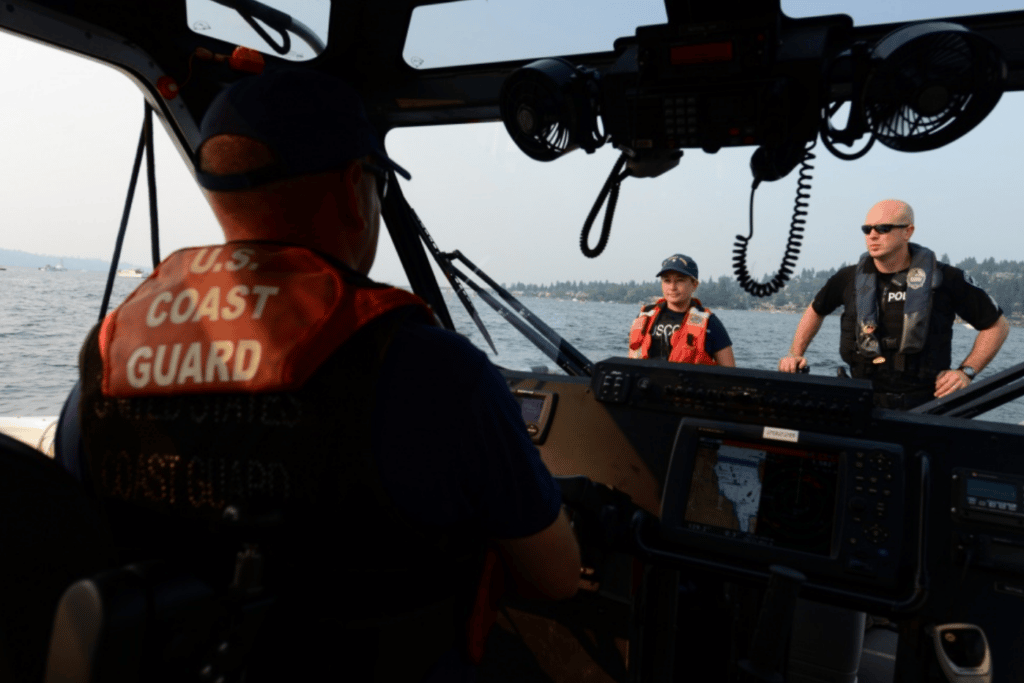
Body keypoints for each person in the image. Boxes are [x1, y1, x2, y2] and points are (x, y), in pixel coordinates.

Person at [55, 69, 580, 682]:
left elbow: (76, 538)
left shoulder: (111, 358)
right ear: (358, 190)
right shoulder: (432, 370)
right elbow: (555, 577)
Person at [778, 199, 1009, 409]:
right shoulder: (847, 278)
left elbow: (997, 327)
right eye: (867, 229)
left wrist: (966, 372)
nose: (872, 235)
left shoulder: (947, 279)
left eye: (883, 228)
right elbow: (815, 310)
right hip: (860, 401)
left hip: (924, 404)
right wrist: (794, 353)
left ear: (908, 232)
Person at [628, 254, 736, 367]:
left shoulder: (710, 324)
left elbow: (730, 371)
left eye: (680, 280)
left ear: (694, 285)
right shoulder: (645, 317)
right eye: (667, 281)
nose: (672, 287)